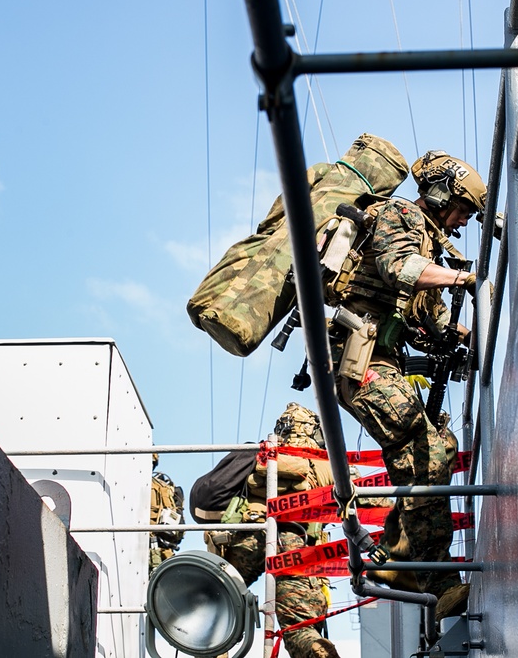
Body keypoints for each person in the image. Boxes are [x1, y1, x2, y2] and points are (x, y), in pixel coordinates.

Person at [330, 150, 486, 620]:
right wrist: (466, 278)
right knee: (426, 449)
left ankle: (398, 558)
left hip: (386, 361)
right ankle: (434, 580)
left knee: (431, 449)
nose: (461, 222)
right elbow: (400, 268)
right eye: (461, 208)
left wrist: (475, 339)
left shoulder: (430, 250)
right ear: (439, 194)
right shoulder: (401, 216)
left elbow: (436, 323)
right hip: (359, 356)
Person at [204, 403, 340, 658]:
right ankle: (314, 647)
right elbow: (368, 498)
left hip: (249, 537)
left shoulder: (262, 454)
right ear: (315, 432)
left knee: (216, 604)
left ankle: (212, 650)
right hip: (295, 546)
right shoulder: (325, 463)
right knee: (298, 626)